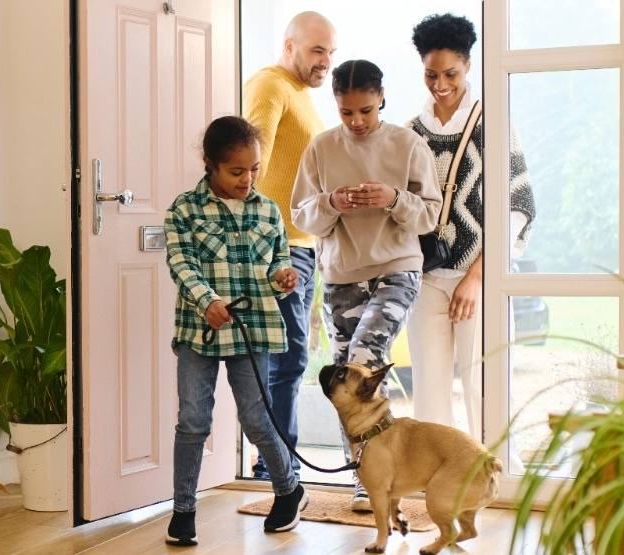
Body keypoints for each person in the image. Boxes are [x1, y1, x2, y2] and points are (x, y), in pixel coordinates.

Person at [291, 59, 441, 512]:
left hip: (397, 266)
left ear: (382, 100)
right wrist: (332, 202)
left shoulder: (407, 144)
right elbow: (301, 214)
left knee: (361, 360)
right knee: (345, 377)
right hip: (341, 274)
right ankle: (368, 477)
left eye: (366, 111)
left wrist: (394, 199)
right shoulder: (320, 148)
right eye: (347, 113)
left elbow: (431, 214)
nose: (356, 121)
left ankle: (381, 472)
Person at [163, 116, 308, 546]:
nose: (248, 180)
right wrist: (207, 300)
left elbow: (277, 261)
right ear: (211, 165)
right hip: (200, 329)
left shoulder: (267, 210)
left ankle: (289, 489)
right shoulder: (184, 210)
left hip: (253, 328)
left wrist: (283, 276)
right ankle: (183, 509)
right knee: (193, 419)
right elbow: (181, 263)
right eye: (237, 171)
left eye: (254, 170)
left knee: (255, 417)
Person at [405, 14, 537, 440]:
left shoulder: (492, 123)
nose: (440, 84)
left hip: (478, 277)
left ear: (468, 66)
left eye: (451, 74)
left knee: (483, 387)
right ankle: (433, 480)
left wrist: (478, 276)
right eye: (431, 74)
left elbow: (518, 204)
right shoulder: (410, 133)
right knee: (428, 391)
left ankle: (490, 477)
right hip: (426, 280)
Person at [241, 10, 335, 481]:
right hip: (278, 247)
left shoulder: (301, 95)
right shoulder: (270, 85)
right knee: (287, 355)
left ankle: (279, 461)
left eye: (331, 53)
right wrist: (262, 240)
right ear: (290, 44)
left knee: (290, 356)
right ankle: (276, 464)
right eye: (318, 50)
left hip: (303, 245)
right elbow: (249, 161)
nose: (326, 61)